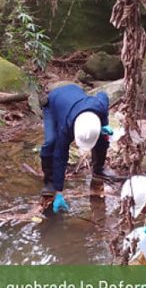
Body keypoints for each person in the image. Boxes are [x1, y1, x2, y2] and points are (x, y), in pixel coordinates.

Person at [40, 83, 118, 213]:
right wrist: (59, 191)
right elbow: (61, 157)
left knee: (102, 139)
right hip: (53, 104)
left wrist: (104, 124)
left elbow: (103, 95)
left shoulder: (99, 106)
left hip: (75, 94)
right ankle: (50, 182)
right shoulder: (65, 128)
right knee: (50, 143)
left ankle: (98, 170)